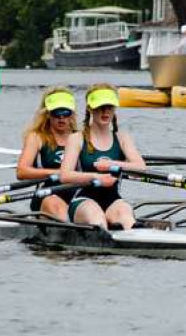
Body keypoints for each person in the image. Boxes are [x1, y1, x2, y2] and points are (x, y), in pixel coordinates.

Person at [60, 84, 145, 229]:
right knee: (97, 217)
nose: (105, 111)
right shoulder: (77, 138)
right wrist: (97, 177)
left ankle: (135, 237)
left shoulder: (122, 138)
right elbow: (65, 175)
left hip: (113, 199)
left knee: (125, 214)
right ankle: (103, 236)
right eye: (100, 107)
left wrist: (113, 164)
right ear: (90, 109)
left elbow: (141, 168)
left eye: (109, 107)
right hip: (83, 200)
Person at [16, 87, 79, 222]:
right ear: (47, 114)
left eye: (66, 112)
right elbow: (22, 171)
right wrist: (59, 172)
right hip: (47, 194)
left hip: (78, 193)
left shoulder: (81, 137)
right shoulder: (36, 137)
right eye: (56, 113)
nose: (61, 118)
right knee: (54, 202)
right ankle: (73, 229)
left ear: (72, 114)